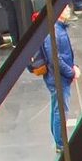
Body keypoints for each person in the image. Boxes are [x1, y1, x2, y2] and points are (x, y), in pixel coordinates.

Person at [31, 12, 79, 151]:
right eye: (65, 8)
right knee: (61, 111)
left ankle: (58, 139)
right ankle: (61, 143)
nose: (69, 9)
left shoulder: (58, 28)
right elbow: (55, 59)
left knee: (57, 107)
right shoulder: (54, 31)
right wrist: (71, 72)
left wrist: (73, 66)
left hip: (58, 76)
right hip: (58, 78)